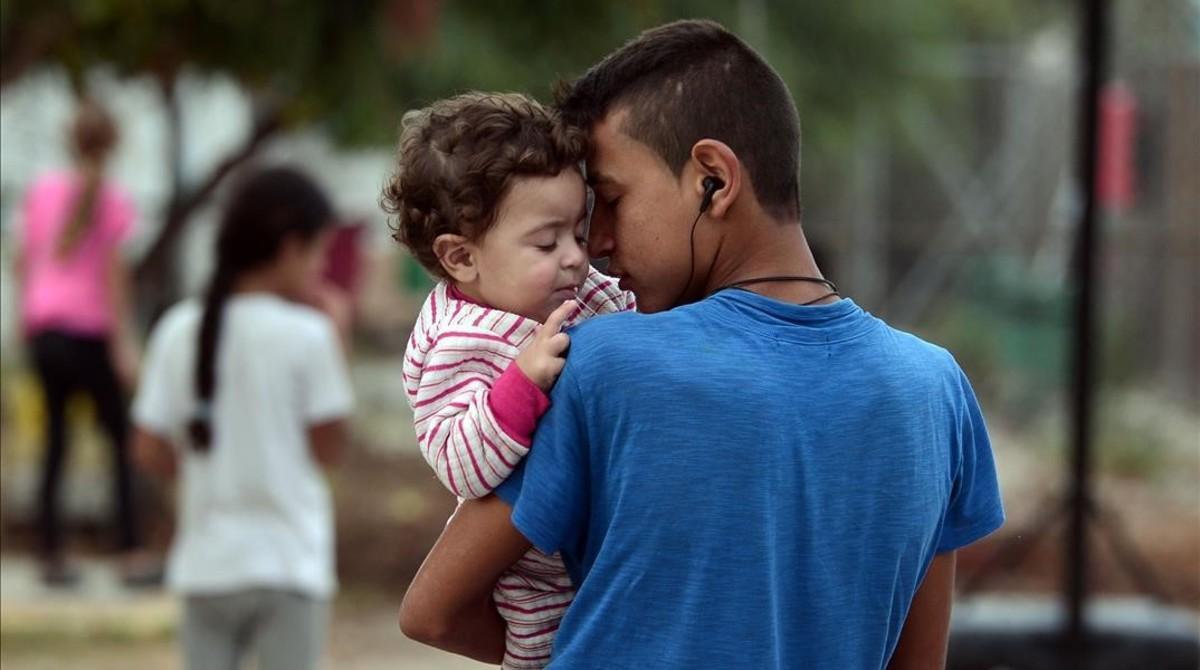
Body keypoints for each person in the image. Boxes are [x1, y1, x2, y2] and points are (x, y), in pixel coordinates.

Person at [398, 19, 1004, 669]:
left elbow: (432, 612)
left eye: (609, 199)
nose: (594, 244)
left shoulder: (600, 362)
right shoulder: (936, 389)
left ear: (712, 179)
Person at [382, 92, 634, 669]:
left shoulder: (566, 284)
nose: (575, 256)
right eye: (547, 242)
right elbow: (460, 463)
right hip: (534, 574)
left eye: (578, 229)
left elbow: (628, 313)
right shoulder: (461, 342)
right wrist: (521, 385)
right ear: (461, 258)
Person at [131, 167, 354, 670]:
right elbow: (330, 450)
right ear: (290, 247)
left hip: (206, 567)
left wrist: (205, 469)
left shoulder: (176, 329)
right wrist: (338, 337)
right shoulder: (309, 335)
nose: (319, 270)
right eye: (319, 253)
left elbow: (148, 447)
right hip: (289, 566)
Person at [15, 97, 146, 585]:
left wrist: (22, 326)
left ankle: (50, 552)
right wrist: (124, 346)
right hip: (89, 332)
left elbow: (22, 261)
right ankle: (129, 550)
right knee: (119, 439)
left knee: (55, 441)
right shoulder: (113, 199)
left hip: (44, 329)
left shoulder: (41, 191)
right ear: (113, 144)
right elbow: (115, 280)